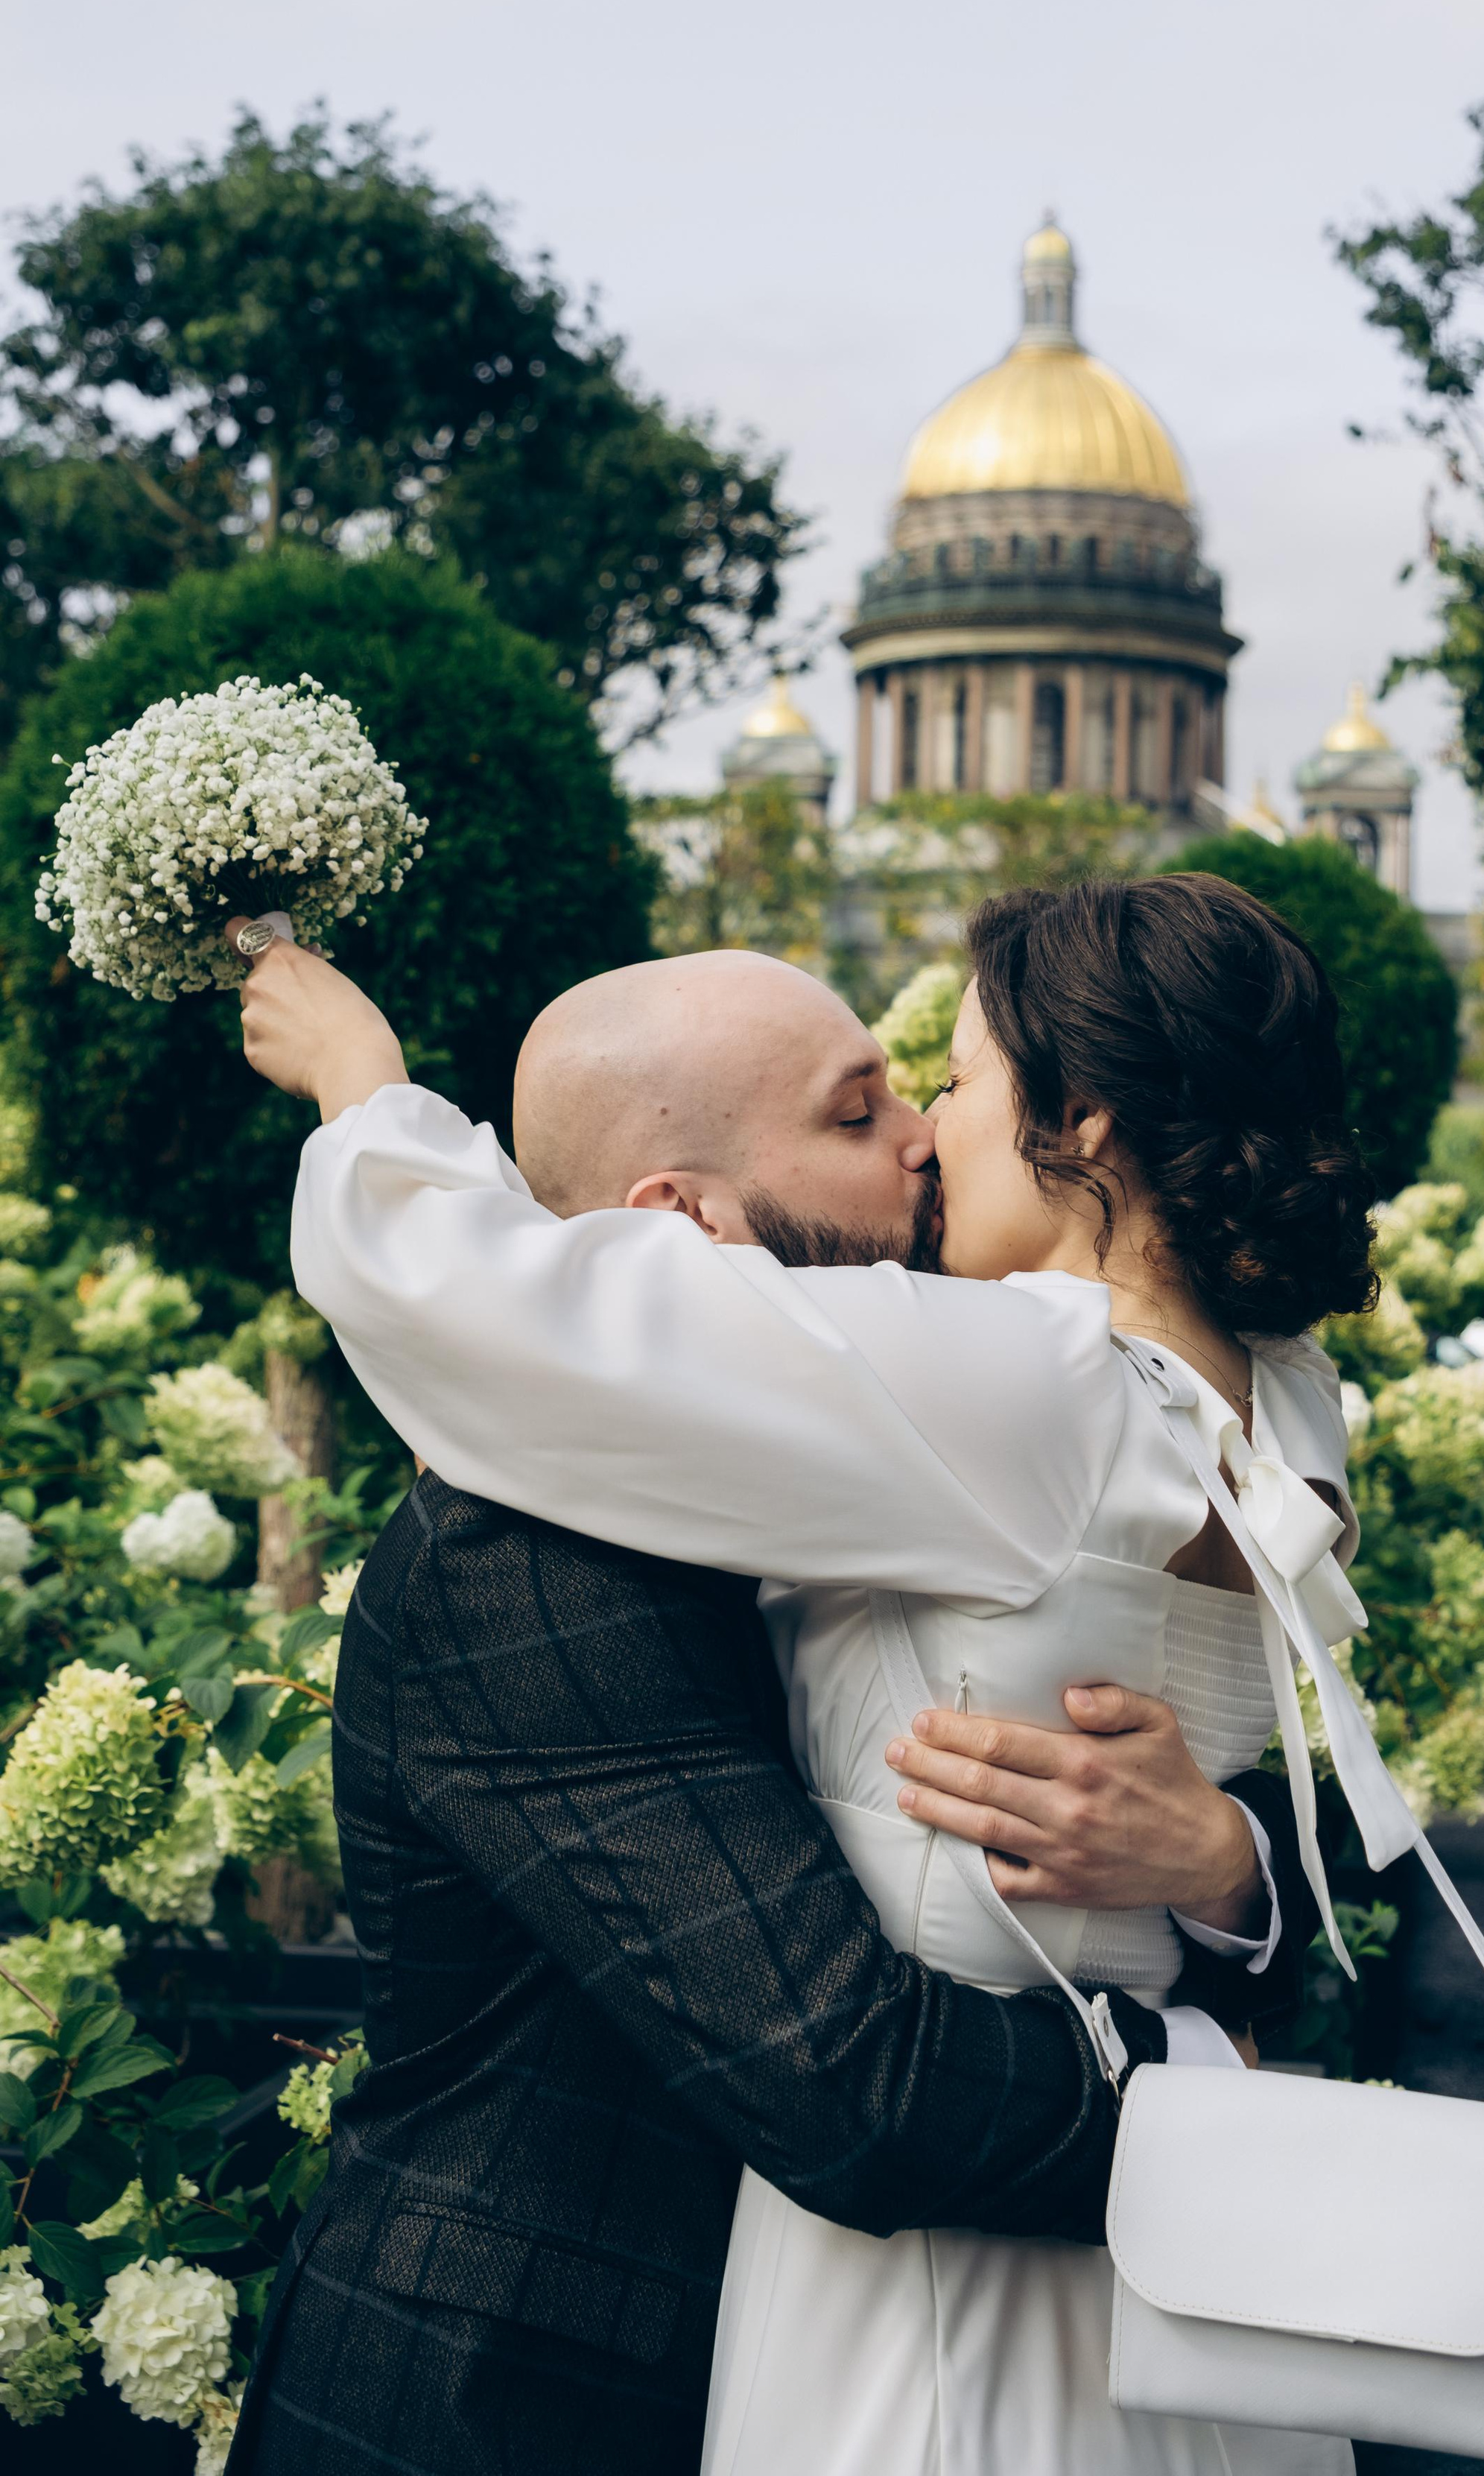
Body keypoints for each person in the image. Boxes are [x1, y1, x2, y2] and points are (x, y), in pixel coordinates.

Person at [232, 873, 1376, 2476]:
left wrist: (366, 1091)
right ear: (685, 1222)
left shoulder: (1016, 1380)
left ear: (1089, 1126)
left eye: (950, 1081)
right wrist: (1227, 1877)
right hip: (1076, 2304)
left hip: (936, 2285)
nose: (922, 1131)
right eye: (874, 1105)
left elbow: (497, 1297)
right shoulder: (1290, 1403)